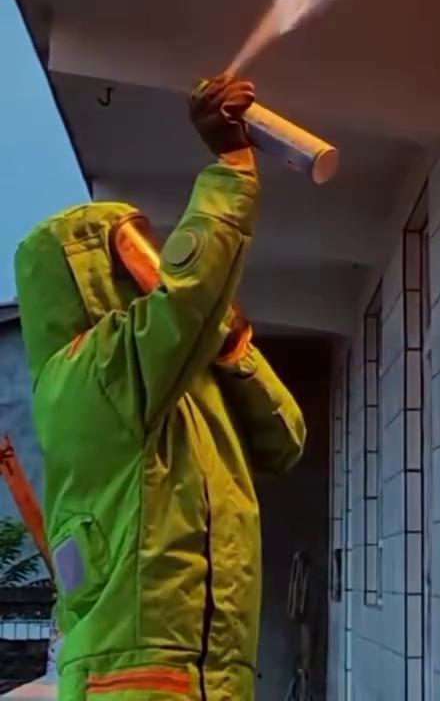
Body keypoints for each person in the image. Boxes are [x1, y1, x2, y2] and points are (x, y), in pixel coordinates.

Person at [14, 74, 306, 701]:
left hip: (204, 676)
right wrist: (232, 167)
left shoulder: (169, 380)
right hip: (136, 682)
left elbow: (284, 441)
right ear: (83, 272)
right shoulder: (83, 378)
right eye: (127, 253)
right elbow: (185, 300)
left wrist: (234, 352)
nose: (148, 262)